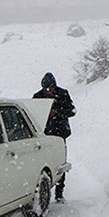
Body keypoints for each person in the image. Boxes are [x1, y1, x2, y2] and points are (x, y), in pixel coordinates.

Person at [32, 72, 76, 202]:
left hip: (60, 134)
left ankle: (59, 193)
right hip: (43, 135)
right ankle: (42, 193)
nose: (48, 91)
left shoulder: (63, 94)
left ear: (54, 86)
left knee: (60, 164)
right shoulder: (37, 97)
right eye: (46, 88)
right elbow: (33, 113)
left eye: (50, 88)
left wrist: (58, 112)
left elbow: (72, 111)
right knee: (42, 164)